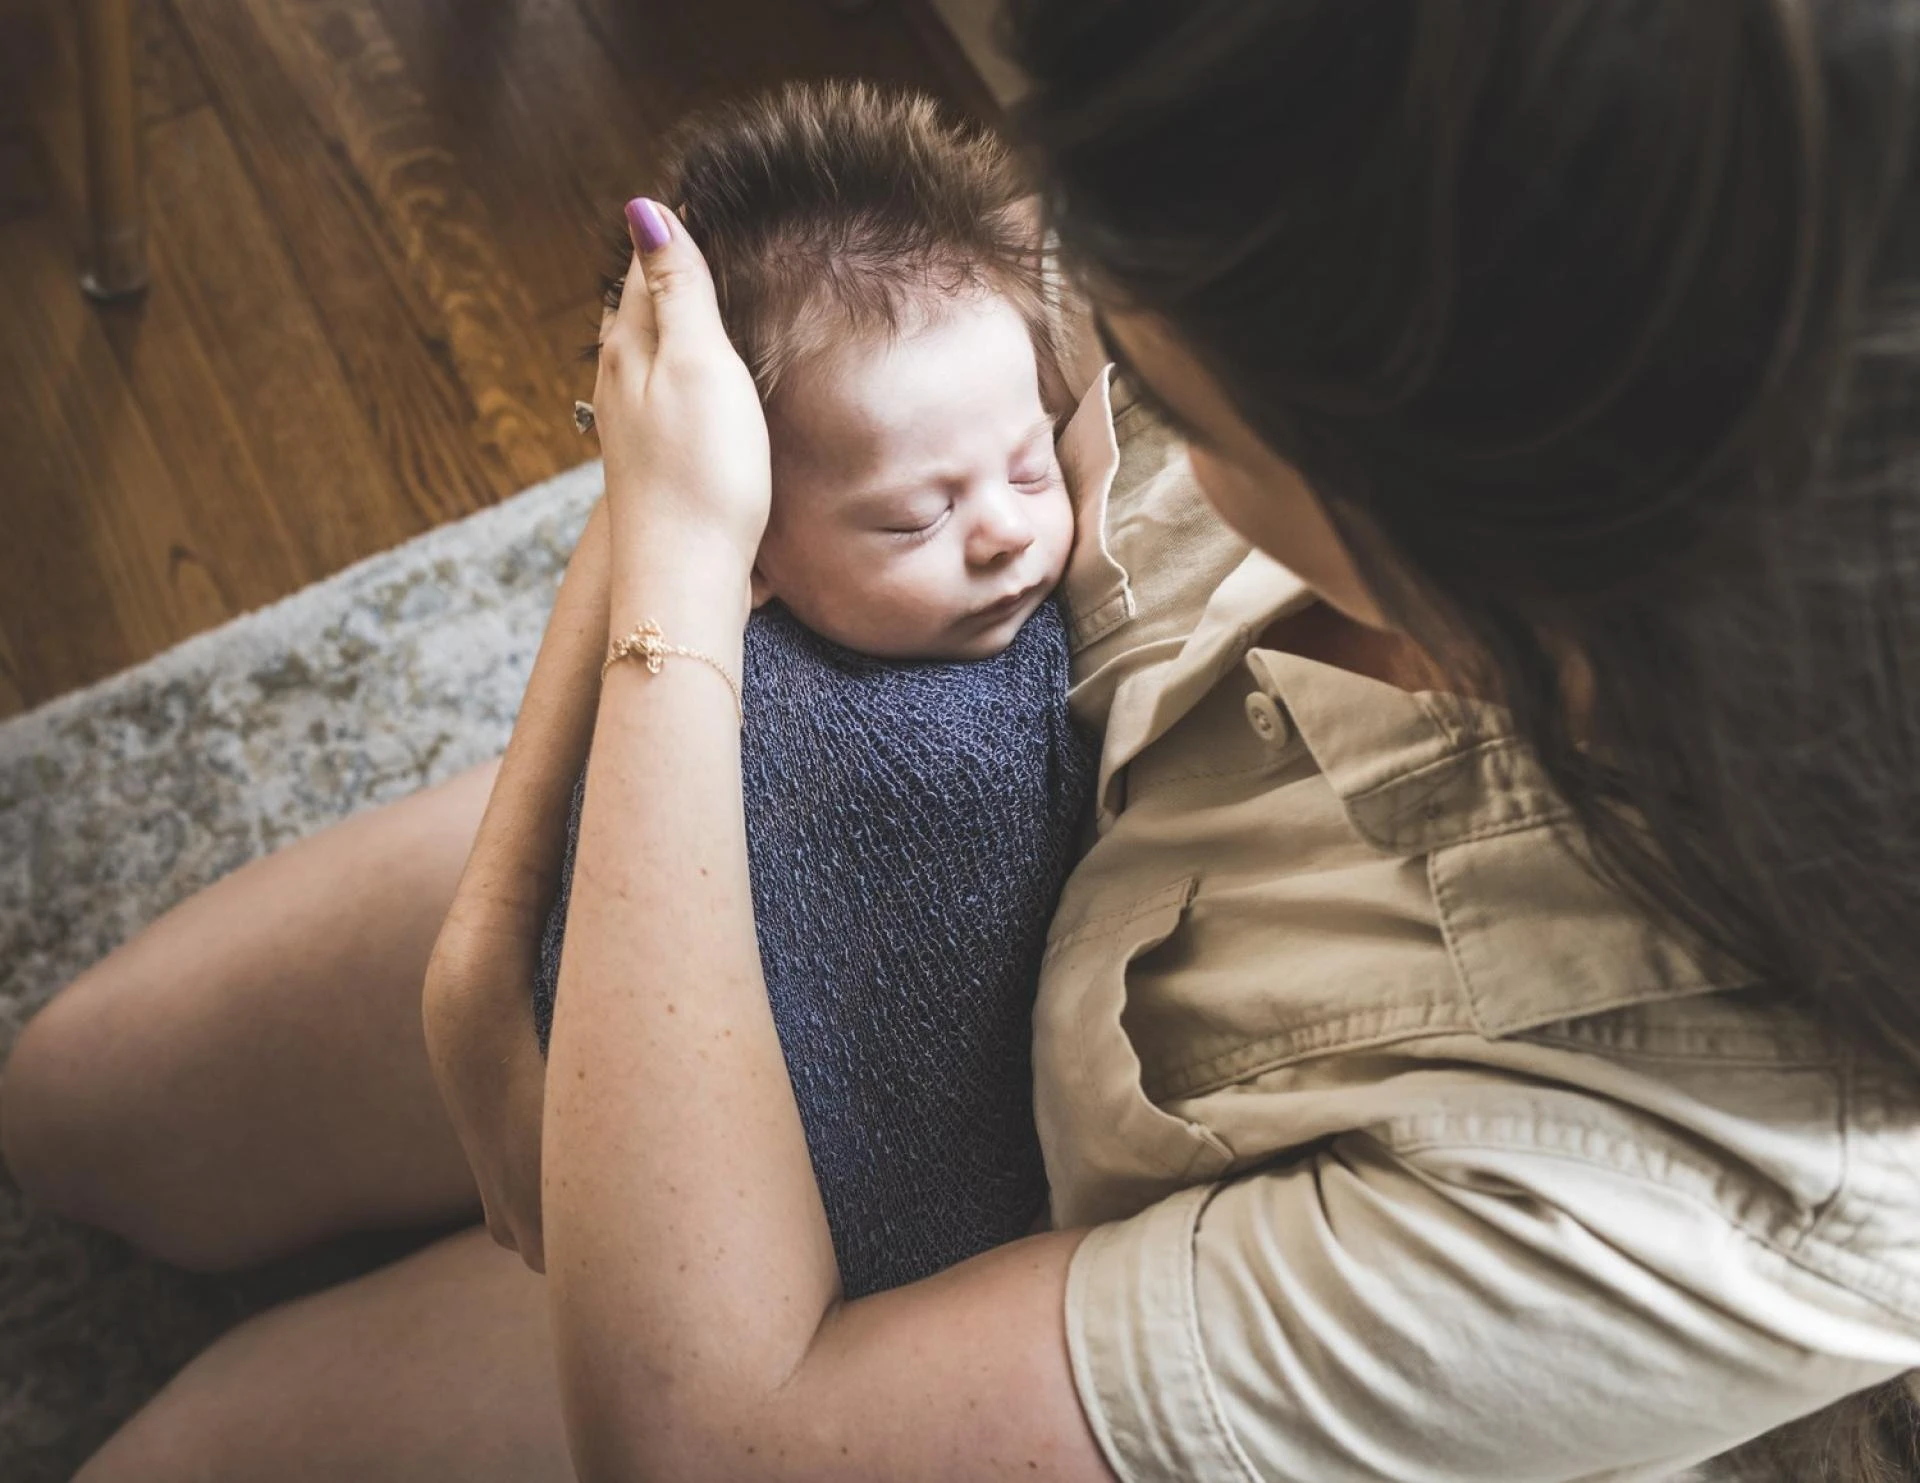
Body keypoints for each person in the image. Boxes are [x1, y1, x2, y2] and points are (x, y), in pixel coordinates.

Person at [6, 2, 1920, 1479]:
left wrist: (683, 573)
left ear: (1450, 498)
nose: (1087, 417)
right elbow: (739, 383)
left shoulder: (1723, 1181)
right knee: (81, 1107)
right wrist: (486, 930)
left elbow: (715, 1440)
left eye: (1152, 400)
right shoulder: (1332, 163)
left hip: (939, 1249)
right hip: (846, 806)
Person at [530, 81, 1095, 1300]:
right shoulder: (764, 714)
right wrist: (478, 964)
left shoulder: (1006, 317)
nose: (1005, 532)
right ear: (754, 550)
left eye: (1030, 465)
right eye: (916, 516)